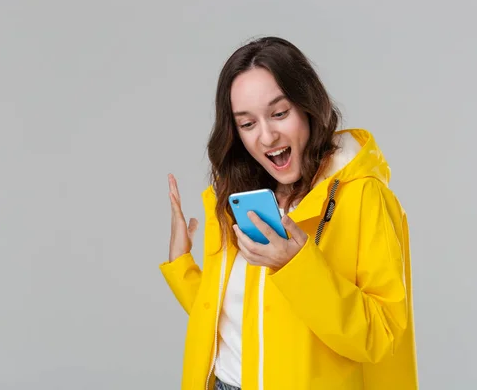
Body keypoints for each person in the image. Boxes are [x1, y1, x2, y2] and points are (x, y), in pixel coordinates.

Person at [161, 36, 418, 390]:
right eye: (247, 124)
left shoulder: (363, 196)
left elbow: (381, 335)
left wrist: (296, 266)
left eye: (279, 113)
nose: (266, 136)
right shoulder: (241, 199)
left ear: (308, 107)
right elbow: (238, 322)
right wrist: (181, 266)